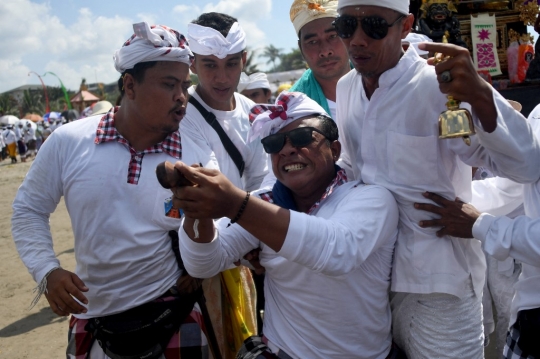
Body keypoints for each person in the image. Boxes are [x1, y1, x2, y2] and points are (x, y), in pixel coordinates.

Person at [333, 0, 540, 357]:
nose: (358, 40)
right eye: (347, 26)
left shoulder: (438, 83)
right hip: (371, 279)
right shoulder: (347, 87)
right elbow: (350, 169)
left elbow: (526, 167)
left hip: (440, 283)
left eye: (374, 27)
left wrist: (481, 97)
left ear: (406, 25)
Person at [11, 22, 211, 358]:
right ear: (130, 85)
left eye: (184, 86)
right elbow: (28, 210)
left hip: (174, 310)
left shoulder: (196, 155)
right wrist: (48, 270)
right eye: (168, 84)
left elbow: (215, 228)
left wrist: (197, 264)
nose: (181, 97)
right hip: (93, 317)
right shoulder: (68, 142)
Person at [175, 91, 401, 358]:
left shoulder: (370, 198)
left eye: (302, 138)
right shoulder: (264, 204)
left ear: (335, 149)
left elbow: (337, 251)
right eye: (274, 143)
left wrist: (236, 204)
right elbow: (204, 263)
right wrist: (195, 209)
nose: (286, 149)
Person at [416, 103, 540, 359]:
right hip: (531, 305)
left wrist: (480, 224)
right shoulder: (539, 113)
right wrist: (450, 203)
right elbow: (518, 183)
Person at [181, 12, 265, 356]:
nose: (222, 76)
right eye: (209, 65)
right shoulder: (183, 113)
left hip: (246, 254)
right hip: (200, 253)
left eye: (231, 64)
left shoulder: (254, 112)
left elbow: (264, 181)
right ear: (192, 63)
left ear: (243, 60)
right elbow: (204, 188)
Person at [288, 0, 351, 118]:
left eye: (333, 36)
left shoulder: (380, 82)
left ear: (348, 36)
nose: (325, 51)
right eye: (312, 42)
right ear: (301, 49)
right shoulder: (291, 111)